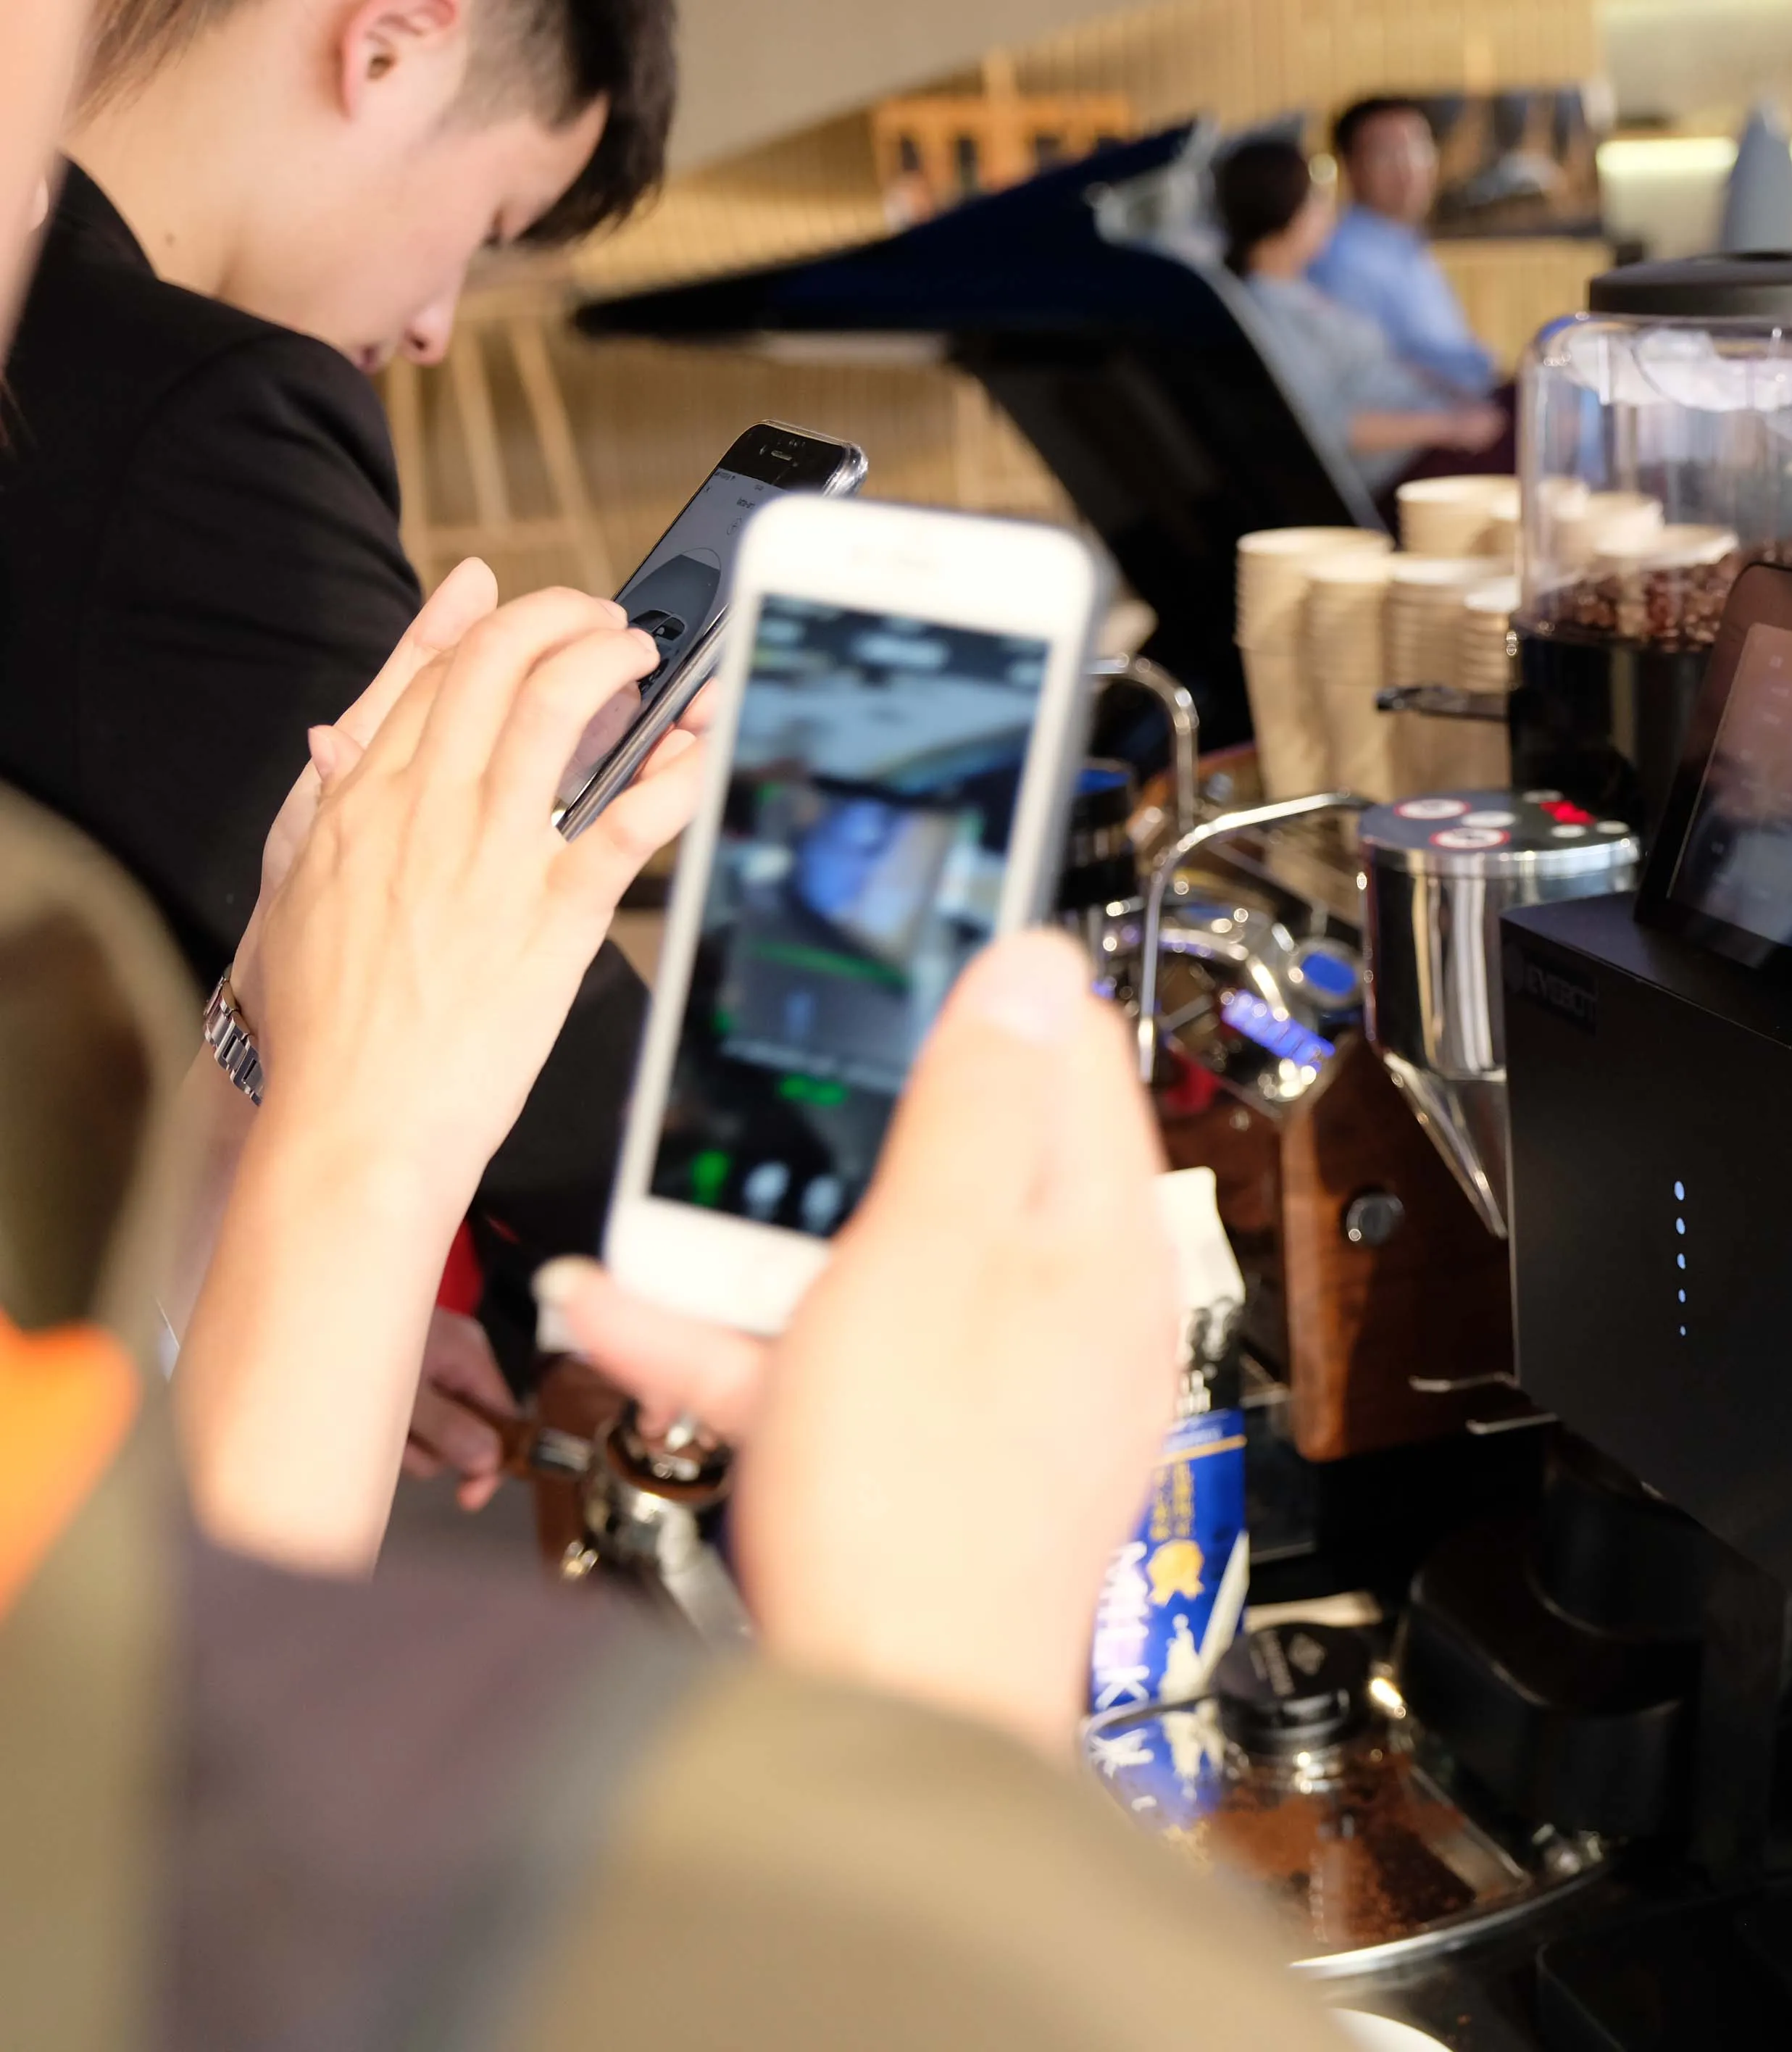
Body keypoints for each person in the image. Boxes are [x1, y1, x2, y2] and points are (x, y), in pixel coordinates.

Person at [0, 14, 1351, 2035]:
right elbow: (162, 1884)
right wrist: (937, 1687)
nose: (49, 212)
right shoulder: (190, 401)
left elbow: (101, 1635)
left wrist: (275, 1096)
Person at [0, 0, 682, 1496]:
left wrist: (280, 1304)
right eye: (492, 225)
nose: (437, 325)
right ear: (389, 42)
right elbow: (577, 1111)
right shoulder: (193, 411)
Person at [1215, 136, 1504, 493]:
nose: (1328, 211)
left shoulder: (1298, 288)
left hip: (1438, 426)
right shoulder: (1267, 309)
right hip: (1401, 469)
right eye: (1315, 199)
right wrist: (1451, 427)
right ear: (1283, 208)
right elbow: (1323, 426)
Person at [1309, 95, 1498, 399]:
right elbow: (1364, 379)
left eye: (1418, 149)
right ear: (1349, 165)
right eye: (1386, 154)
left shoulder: (1406, 245)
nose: (1407, 168)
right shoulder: (1342, 260)